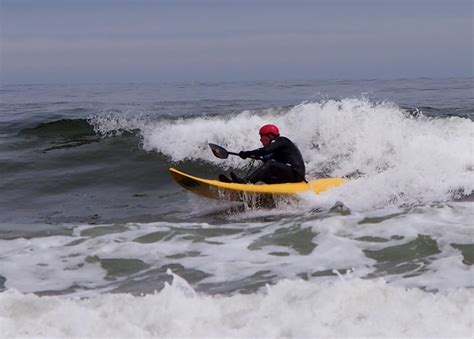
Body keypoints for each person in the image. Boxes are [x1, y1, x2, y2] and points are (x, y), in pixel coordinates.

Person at [219, 124, 306, 184]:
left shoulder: (281, 140)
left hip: (297, 175)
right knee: (265, 175)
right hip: (287, 175)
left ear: (270, 136)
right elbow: (266, 156)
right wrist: (252, 155)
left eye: (262, 136)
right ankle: (239, 185)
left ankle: (245, 182)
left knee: (271, 164)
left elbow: (264, 151)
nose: (260, 140)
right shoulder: (276, 148)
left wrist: (247, 153)